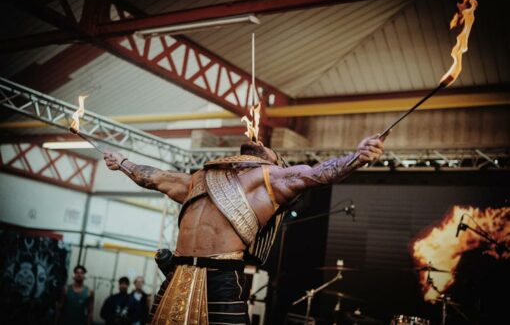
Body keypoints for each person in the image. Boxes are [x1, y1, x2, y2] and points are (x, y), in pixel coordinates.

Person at [104, 133, 384, 324]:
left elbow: (316, 173)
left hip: (221, 279)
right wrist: (123, 163)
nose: (258, 138)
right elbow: (155, 178)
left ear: (275, 160)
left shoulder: (268, 180)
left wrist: (357, 157)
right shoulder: (200, 178)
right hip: (177, 275)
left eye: (268, 146)